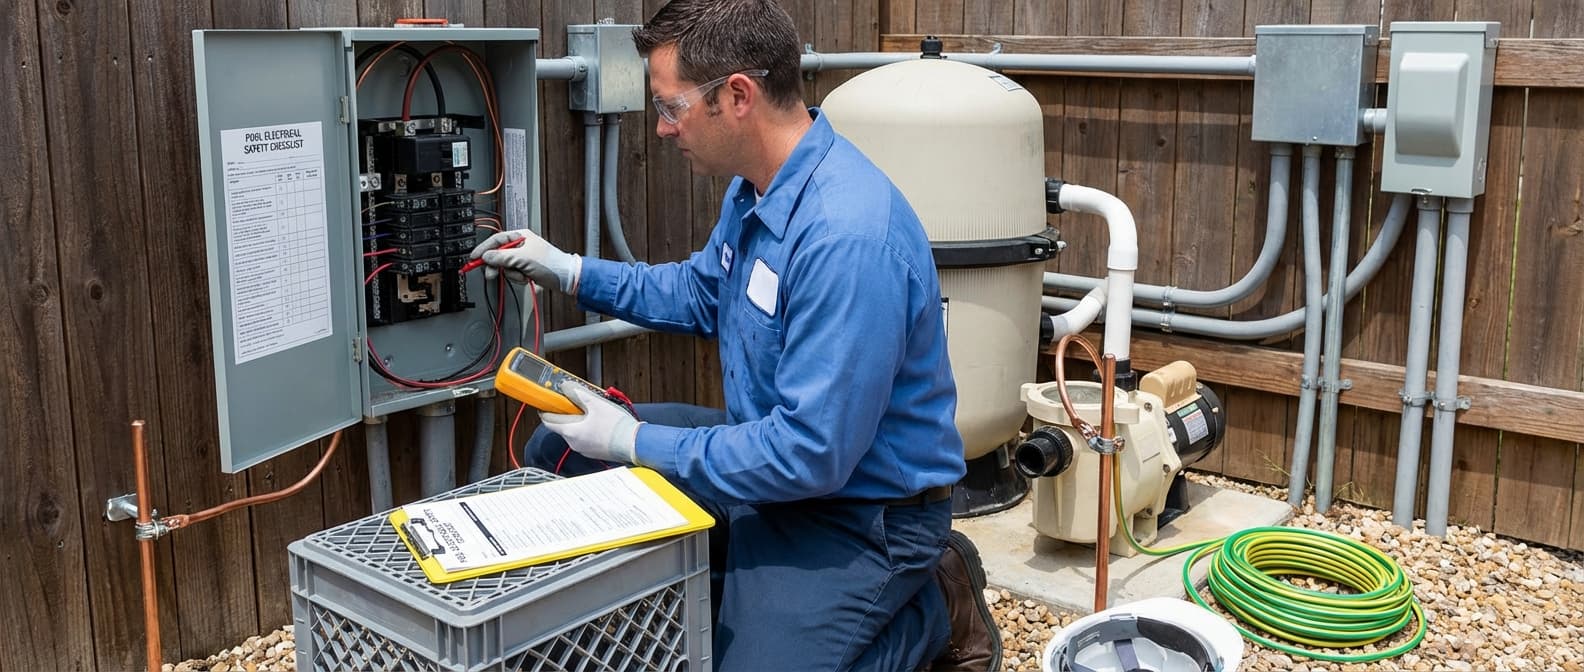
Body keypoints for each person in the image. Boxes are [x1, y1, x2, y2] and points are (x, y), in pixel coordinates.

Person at [470, 1, 1000, 669]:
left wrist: (634, 440)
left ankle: (932, 611)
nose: (663, 129)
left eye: (670, 107)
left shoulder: (847, 238)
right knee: (561, 449)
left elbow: (812, 454)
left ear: (738, 97)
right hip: (770, 471)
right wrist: (569, 271)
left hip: (860, 515)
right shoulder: (758, 189)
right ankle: (738, 598)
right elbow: (700, 293)